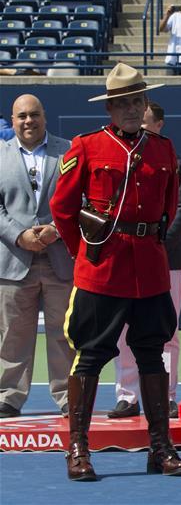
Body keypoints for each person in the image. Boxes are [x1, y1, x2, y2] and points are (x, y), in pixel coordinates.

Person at [49, 63, 181, 481]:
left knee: (152, 353)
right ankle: (78, 448)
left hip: (148, 269)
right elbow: (62, 208)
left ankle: (160, 447)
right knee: (90, 355)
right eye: (123, 103)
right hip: (102, 268)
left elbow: (168, 206)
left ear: (145, 104)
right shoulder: (87, 146)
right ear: (110, 108)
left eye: (137, 101)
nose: (131, 109)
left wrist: (153, 246)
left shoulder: (162, 149)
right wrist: (84, 253)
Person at [108, 102, 181, 420]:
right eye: (137, 123)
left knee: (167, 331)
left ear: (160, 124)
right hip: (125, 258)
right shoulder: (121, 160)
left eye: (147, 123)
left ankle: (166, 396)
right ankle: (127, 396)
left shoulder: (179, 164)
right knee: (124, 330)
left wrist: (155, 244)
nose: (140, 129)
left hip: (166, 260)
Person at [0, 94, 74, 420]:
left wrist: (56, 229)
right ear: (12, 121)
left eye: (34, 115)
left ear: (44, 117)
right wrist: (18, 234)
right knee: (12, 333)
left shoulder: (68, 150)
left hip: (59, 256)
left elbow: (80, 198)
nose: (28, 121)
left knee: (64, 333)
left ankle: (71, 396)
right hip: (14, 258)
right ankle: (8, 396)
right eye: (22, 117)